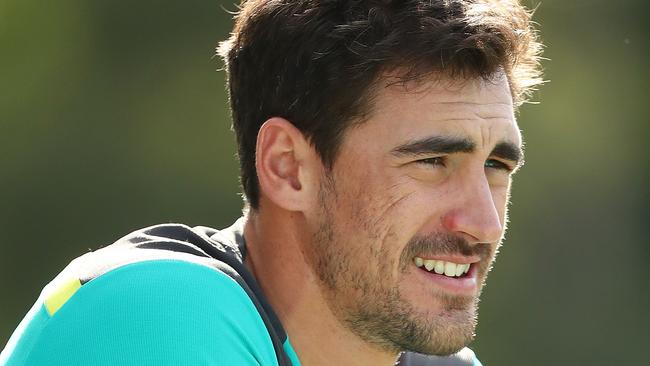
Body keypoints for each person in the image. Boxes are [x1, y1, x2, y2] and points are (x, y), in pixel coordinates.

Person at [0, 0, 543, 365]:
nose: (483, 223)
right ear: (288, 168)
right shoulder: (161, 312)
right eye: (432, 162)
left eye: (497, 166)